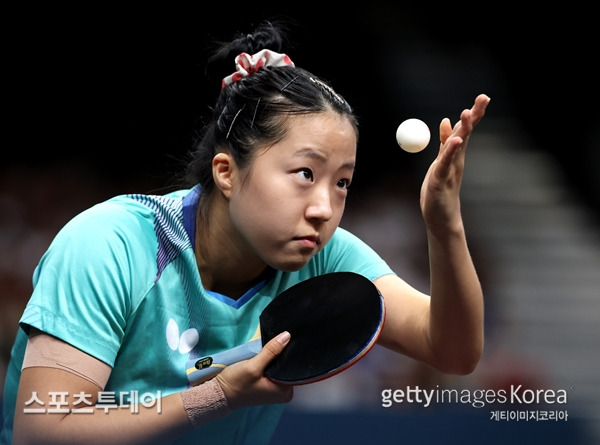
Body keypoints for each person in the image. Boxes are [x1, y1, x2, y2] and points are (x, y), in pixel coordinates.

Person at [1, 21, 489, 445]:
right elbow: (44, 430)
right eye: (305, 174)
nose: (324, 208)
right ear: (227, 172)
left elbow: (453, 350)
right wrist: (219, 396)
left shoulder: (319, 256)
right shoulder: (112, 246)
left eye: (342, 182)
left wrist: (444, 224)